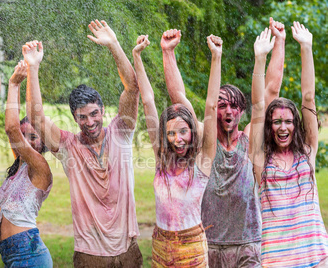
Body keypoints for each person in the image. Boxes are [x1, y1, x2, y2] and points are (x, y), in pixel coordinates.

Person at [161, 17, 285, 267]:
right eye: (222, 105)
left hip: (248, 244)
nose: (228, 111)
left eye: (235, 106)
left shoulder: (250, 139)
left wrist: (279, 42)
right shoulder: (203, 141)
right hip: (208, 244)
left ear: (241, 112)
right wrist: (167, 52)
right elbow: (178, 98)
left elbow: (270, 93)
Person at [24, 19, 143, 267]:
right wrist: (32, 68)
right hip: (90, 256)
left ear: (102, 110)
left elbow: (132, 88)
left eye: (94, 114)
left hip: (129, 252)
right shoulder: (69, 146)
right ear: (74, 118)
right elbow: (36, 118)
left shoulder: (121, 132)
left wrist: (114, 45)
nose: (89, 122)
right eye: (82, 117)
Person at [133, 32, 221, 267]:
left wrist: (216, 57)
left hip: (191, 247)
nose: (177, 139)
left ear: (193, 131)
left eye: (183, 132)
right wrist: (137, 57)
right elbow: (148, 101)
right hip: (160, 246)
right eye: (171, 133)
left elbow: (211, 106)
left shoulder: (202, 163)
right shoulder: (163, 160)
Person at [250, 22, 328, 267]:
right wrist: (260, 58)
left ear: (296, 124)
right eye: (276, 122)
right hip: (276, 260)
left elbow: (308, 97)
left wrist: (306, 47)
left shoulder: (307, 152)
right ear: (268, 126)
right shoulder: (261, 159)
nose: (283, 127)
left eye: (288, 121)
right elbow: (258, 107)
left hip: (317, 256)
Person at [0, 60, 53, 267]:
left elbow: (12, 129)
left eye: (33, 137)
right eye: (24, 135)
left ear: (44, 141)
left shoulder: (40, 166)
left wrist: (14, 85)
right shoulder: (20, 162)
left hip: (29, 254)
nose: (26, 141)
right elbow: (12, 130)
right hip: (11, 253)